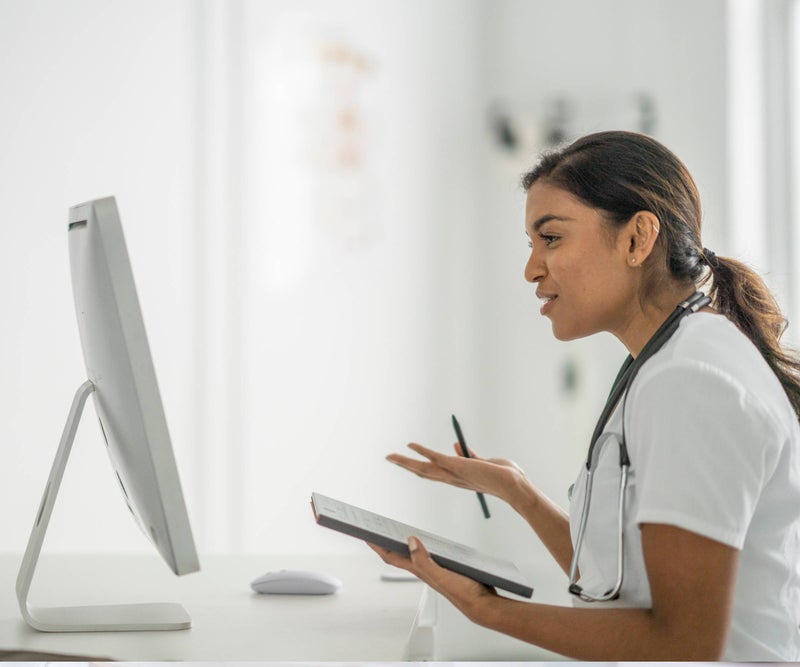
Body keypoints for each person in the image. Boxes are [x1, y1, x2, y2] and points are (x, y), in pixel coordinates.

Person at [369, 130, 800, 661]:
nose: (532, 269)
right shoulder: (667, 360)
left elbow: (685, 642)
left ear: (638, 239)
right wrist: (519, 492)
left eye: (550, 238)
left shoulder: (693, 380)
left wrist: (487, 610)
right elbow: (618, 579)